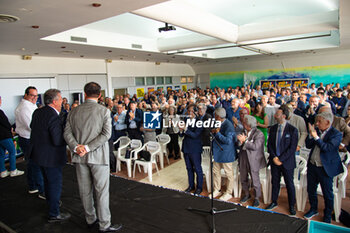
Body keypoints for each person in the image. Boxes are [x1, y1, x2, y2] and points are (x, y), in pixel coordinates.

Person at [64, 82, 122, 232]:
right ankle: (104, 225)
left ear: (84, 94)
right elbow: (106, 135)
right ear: (100, 95)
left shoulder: (74, 111)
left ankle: (90, 220)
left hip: (79, 157)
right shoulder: (104, 111)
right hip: (98, 157)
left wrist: (77, 147)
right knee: (101, 192)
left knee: (85, 191)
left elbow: (67, 133)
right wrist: (88, 148)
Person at [30, 89, 70, 222]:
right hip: (51, 157)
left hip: (38, 155)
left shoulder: (38, 111)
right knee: (54, 184)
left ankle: (51, 204)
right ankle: (54, 213)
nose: (62, 101)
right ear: (54, 101)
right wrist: (69, 138)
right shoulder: (54, 116)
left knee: (47, 182)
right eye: (60, 99)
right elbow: (57, 140)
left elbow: (32, 127)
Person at [304, 111, 343, 223]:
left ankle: (327, 215)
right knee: (311, 190)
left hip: (325, 168)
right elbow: (308, 145)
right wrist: (312, 135)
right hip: (312, 166)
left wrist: (316, 137)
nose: (317, 123)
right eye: (316, 121)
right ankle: (313, 209)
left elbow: (327, 148)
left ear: (327, 122)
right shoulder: (317, 131)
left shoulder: (336, 134)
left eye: (319, 121)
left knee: (327, 193)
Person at [266, 105, 298, 216]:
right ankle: (274, 201)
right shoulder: (273, 128)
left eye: (277, 114)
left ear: (283, 116)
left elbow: (292, 148)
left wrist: (281, 159)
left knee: (289, 184)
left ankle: (291, 206)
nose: (275, 115)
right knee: (275, 182)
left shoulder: (293, 130)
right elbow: (269, 144)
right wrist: (274, 157)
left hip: (287, 162)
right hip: (275, 161)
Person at [15, 86, 44, 197]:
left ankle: (33, 186)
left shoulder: (30, 105)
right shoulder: (24, 108)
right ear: (26, 95)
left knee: (32, 164)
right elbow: (32, 126)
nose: (34, 98)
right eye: (32, 95)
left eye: (36, 95)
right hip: (28, 139)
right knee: (36, 164)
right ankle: (42, 190)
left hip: (29, 138)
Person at [237, 115, 266, 207]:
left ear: (248, 125)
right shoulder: (243, 131)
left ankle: (257, 198)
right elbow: (238, 143)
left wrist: (245, 141)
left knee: (255, 180)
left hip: (254, 160)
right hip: (243, 157)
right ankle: (247, 194)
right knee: (243, 177)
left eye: (244, 122)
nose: (243, 123)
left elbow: (255, 147)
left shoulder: (259, 134)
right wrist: (239, 141)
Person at [211, 107, 236, 201]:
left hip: (226, 153)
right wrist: (214, 132)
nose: (214, 117)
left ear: (218, 116)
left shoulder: (228, 125)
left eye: (215, 115)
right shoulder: (218, 123)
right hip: (217, 153)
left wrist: (217, 133)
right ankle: (217, 189)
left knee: (228, 173)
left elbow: (228, 141)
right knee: (215, 171)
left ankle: (229, 192)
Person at [180, 105, 203, 195]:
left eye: (191, 111)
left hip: (195, 148)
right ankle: (191, 186)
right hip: (186, 147)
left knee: (197, 169)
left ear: (196, 112)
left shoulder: (199, 122)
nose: (190, 113)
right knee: (189, 168)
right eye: (188, 111)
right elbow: (181, 135)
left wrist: (185, 129)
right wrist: (181, 130)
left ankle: (199, 187)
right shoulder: (185, 120)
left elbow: (195, 135)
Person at [0, 96, 24, 178]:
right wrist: (11, 129)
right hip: (5, 136)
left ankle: (3, 171)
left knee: (1, 154)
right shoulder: (0, 112)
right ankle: (13, 170)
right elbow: (6, 123)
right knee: (12, 151)